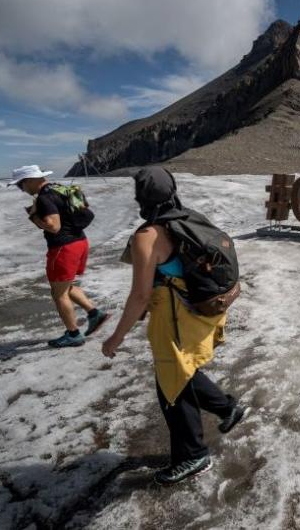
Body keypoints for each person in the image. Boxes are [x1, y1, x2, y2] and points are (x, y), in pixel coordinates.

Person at [100, 167, 248, 485]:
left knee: (172, 385)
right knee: (181, 371)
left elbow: (140, 295)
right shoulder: (186, 218)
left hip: (174, 318)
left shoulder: (147, 236)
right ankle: (227, 408)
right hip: (198, 310)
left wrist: (116, 337)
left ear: (141, 197)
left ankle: (193, 456)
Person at [9, 164, 108, 347]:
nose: (20, 189)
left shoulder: (45, 197)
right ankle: (95, 314)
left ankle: (73, 334)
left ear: (30, 181)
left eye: (20, 185)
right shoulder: (60, 189)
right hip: (80, 242)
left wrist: (33, 217)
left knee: (58, 293)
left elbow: (54, 226)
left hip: (63, 248)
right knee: (66, 286)